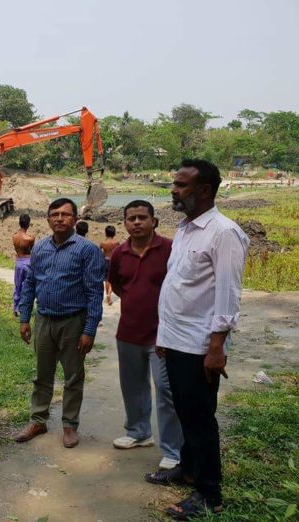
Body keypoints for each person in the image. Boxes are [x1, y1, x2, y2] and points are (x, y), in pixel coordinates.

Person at [145, 159, 249, 520]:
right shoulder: (188, 229)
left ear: (204, 190)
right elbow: (177, 286)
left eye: (181, 184)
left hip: (199, 346)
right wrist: (163, 335)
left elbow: (227, 293)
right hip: (175, 340)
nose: (173, 189)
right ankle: (187, 470)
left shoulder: (224, 233)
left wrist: (217, 347)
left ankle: (209, 493)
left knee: (200, 419)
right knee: (185, 413)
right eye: (174, 183)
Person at [14, 198, 105, 448]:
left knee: (73, 376)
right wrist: (24, 318)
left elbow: (95, 292)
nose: (60, 218)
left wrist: (89, 330)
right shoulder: (40, 247)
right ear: (48, 219)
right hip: (44, 319)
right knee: (43, 374)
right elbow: (30, 284)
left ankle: (69, 425)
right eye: (54, 214)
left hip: (73, 321)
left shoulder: (88, 250)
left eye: (66, 214)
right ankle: (38, 420)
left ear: (75, 219)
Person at [107, 200, 183, 471]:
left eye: (142, 217)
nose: (136, 222)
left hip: (163, 336)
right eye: (131, 218)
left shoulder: (171, 249)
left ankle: (173, 450)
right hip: (128, 331)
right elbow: (116, 284)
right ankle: (139, 432)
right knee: (132, 386)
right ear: (125, 223)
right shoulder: (120, 253)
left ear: (154, 221)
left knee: (166, 390)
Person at [12, 214, 35, 316]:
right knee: (27, 286)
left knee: (17, 285)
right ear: (28, 224)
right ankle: (24, 307)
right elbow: (32, 250)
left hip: (18, 262)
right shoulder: (30, 239)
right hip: (27, 262)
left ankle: (16, 308)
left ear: (19, 223)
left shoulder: (14, 236)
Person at [100, 225, 119, 305]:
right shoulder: (116, 242)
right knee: (113, 279)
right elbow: (119, 251)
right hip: (113, 261)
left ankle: (107, 294)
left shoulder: (103, 243)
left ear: (106, 233)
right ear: (114, 233)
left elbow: (98, 252)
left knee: (107, 280)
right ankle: (109, 294)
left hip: (105, 261)